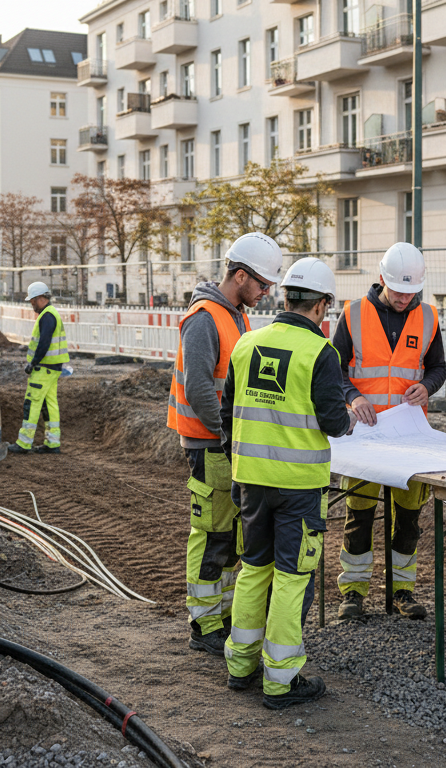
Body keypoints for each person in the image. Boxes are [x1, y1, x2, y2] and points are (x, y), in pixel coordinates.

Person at [221, 257, 354, 710]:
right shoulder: (321, 353)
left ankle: (240, 665)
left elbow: (227, 415)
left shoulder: (246, 343)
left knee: (253, 569)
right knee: (293, 578)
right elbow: (335, 424)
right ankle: (280, 680)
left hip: (250, 482)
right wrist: (350, 419)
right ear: (322, 305)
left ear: (285, 297)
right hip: (298, 487)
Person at [168, 233, 284, 655]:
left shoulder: (235, 315)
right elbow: (200, 388)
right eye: (262, 284)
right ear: (239, 276)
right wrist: (229, 434)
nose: (267, 292)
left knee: (233, 533)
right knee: (212, 533)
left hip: (225, 443)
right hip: (209, 443)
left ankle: (225, 614)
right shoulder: (205, 318)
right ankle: (204, 622)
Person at [332, 243, 446, 621]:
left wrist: (427, 387)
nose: (403, 298)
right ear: (382, 279)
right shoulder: (352, 314)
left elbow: (439, 367)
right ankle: (353, 591)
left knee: (409, 517)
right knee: (359, 513)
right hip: (365, 438)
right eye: (397, 290)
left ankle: (403, 590)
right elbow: (336, 371)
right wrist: (353, 398)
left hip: (410, 438)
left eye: (411, 291)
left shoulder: (429, 317)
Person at [12, 282, 68, 455]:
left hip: (43, 368)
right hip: (53, 368)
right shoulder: (51, 314)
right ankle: (52, 442)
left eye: (32, 301)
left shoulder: (47, 316)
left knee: (33, 402)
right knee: (50, 404)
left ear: (39, 298)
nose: (31, 305)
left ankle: (24, 442)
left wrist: (33, 363)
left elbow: (44, 343)